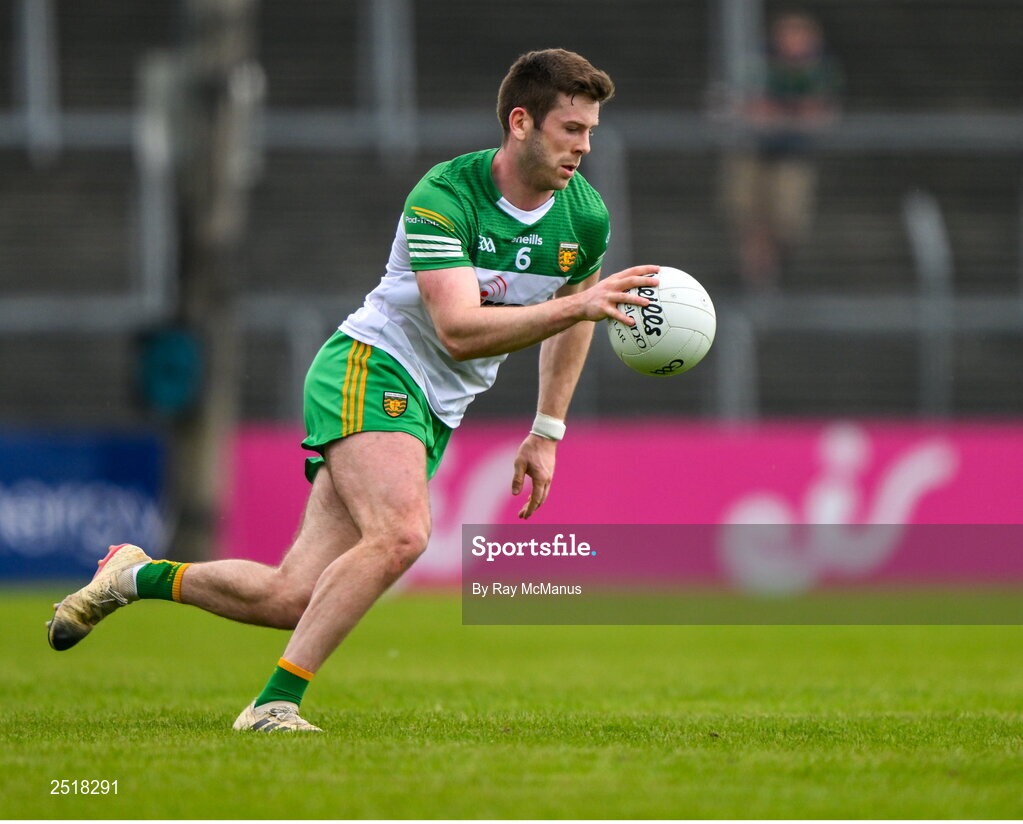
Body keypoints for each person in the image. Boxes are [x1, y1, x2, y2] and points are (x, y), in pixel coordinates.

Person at [46, 48, 659, 733]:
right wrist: (578, 307)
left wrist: (547, 430)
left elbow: (577, 313)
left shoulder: (584, 218)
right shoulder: (445, 196)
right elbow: (458, 330)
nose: (583, 146)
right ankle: (274, 703)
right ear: (521, 122)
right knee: (401, 534)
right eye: (570, 129)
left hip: (435, 405)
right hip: (372, 365)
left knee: (290, 595)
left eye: (590, 132)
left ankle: (132, 576)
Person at [721, 11, 842, 289]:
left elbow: (819, 114)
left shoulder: (820, 69)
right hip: (754, 153)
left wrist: (781, 116)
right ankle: (754, 277)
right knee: (748, 217)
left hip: (792, 158)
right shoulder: (760, 64)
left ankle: (773, 275)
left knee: (787, 220)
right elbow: (751, 109)